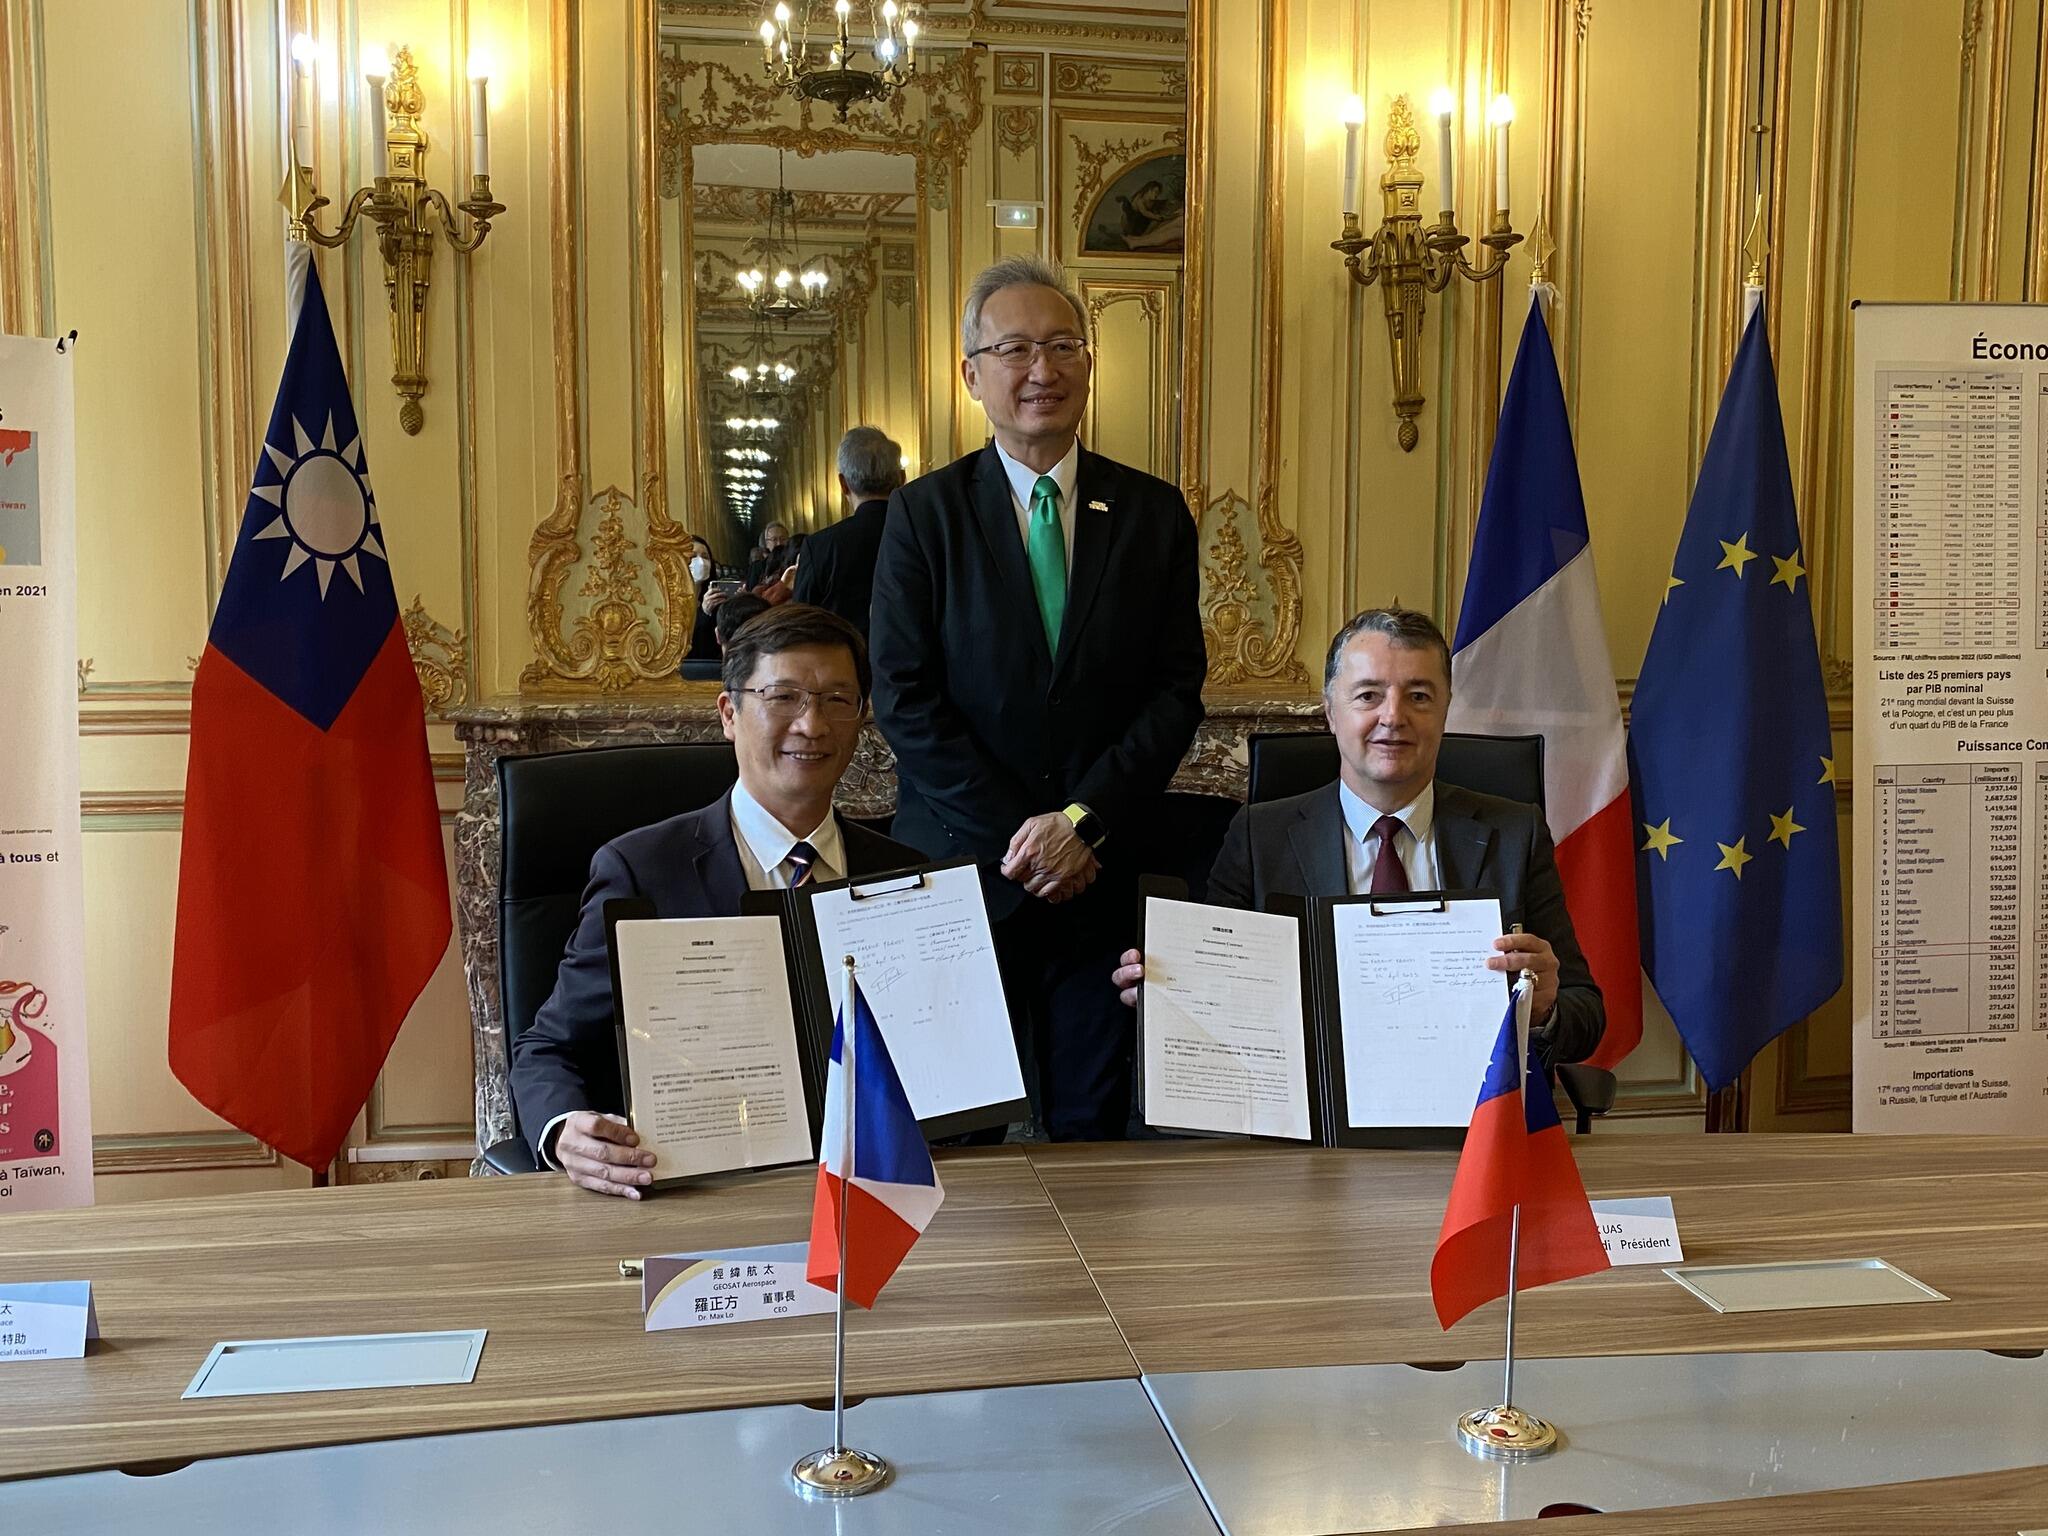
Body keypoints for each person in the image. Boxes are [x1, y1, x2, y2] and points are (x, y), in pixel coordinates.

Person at [870, 255, 1207, 1140]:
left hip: (1102, 874)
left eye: (1063, 346)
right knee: (955, 1135)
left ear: (1090, 364)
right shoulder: (924, 516)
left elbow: (1175, 692)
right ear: (971, 373)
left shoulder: (1154, 514)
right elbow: (903, 697)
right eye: (1014, 349)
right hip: (962, 873)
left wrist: (1081, 825)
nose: (1041, 370)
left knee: (1093, 1134)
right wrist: (1029, 838)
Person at [510, 604, 920, 1196]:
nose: (812, 725)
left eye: (837, 700)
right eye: (783, 697)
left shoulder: (907, 877)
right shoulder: (642, 871)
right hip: (702, 1188)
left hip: (882, 1188)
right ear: (729, 713)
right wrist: (565, 1131)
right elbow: (547, 1048)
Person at [1112, 607, 1604, 1066]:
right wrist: (1171, 990)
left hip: (1470, 1113)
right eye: (1369, 695)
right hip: (1310, 1108)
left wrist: (1544, 1010)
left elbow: (1585, 1015)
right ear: (1330, 712)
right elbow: (1219, 986)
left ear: (1445, 712)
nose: (1393, 716)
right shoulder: (1259, 837)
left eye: (1419, 696)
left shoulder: (1515, 833)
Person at [795, 426, 904, 644]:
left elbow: (800, 627)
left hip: (843, 662)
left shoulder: (819, 547)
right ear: (902, 478)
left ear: (843, 484)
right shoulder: (929, 536)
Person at [685, 534, 720, 661]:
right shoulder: (670, 599)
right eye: (693, 556)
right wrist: (703, 614)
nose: (701, 562)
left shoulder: (715, 597)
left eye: (705, 557)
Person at [746, 522, 790, 588]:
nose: (779, 543)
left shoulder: (793, 565)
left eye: (783, 539)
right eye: (774, 539)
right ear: (767, 543)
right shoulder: (756, 568)